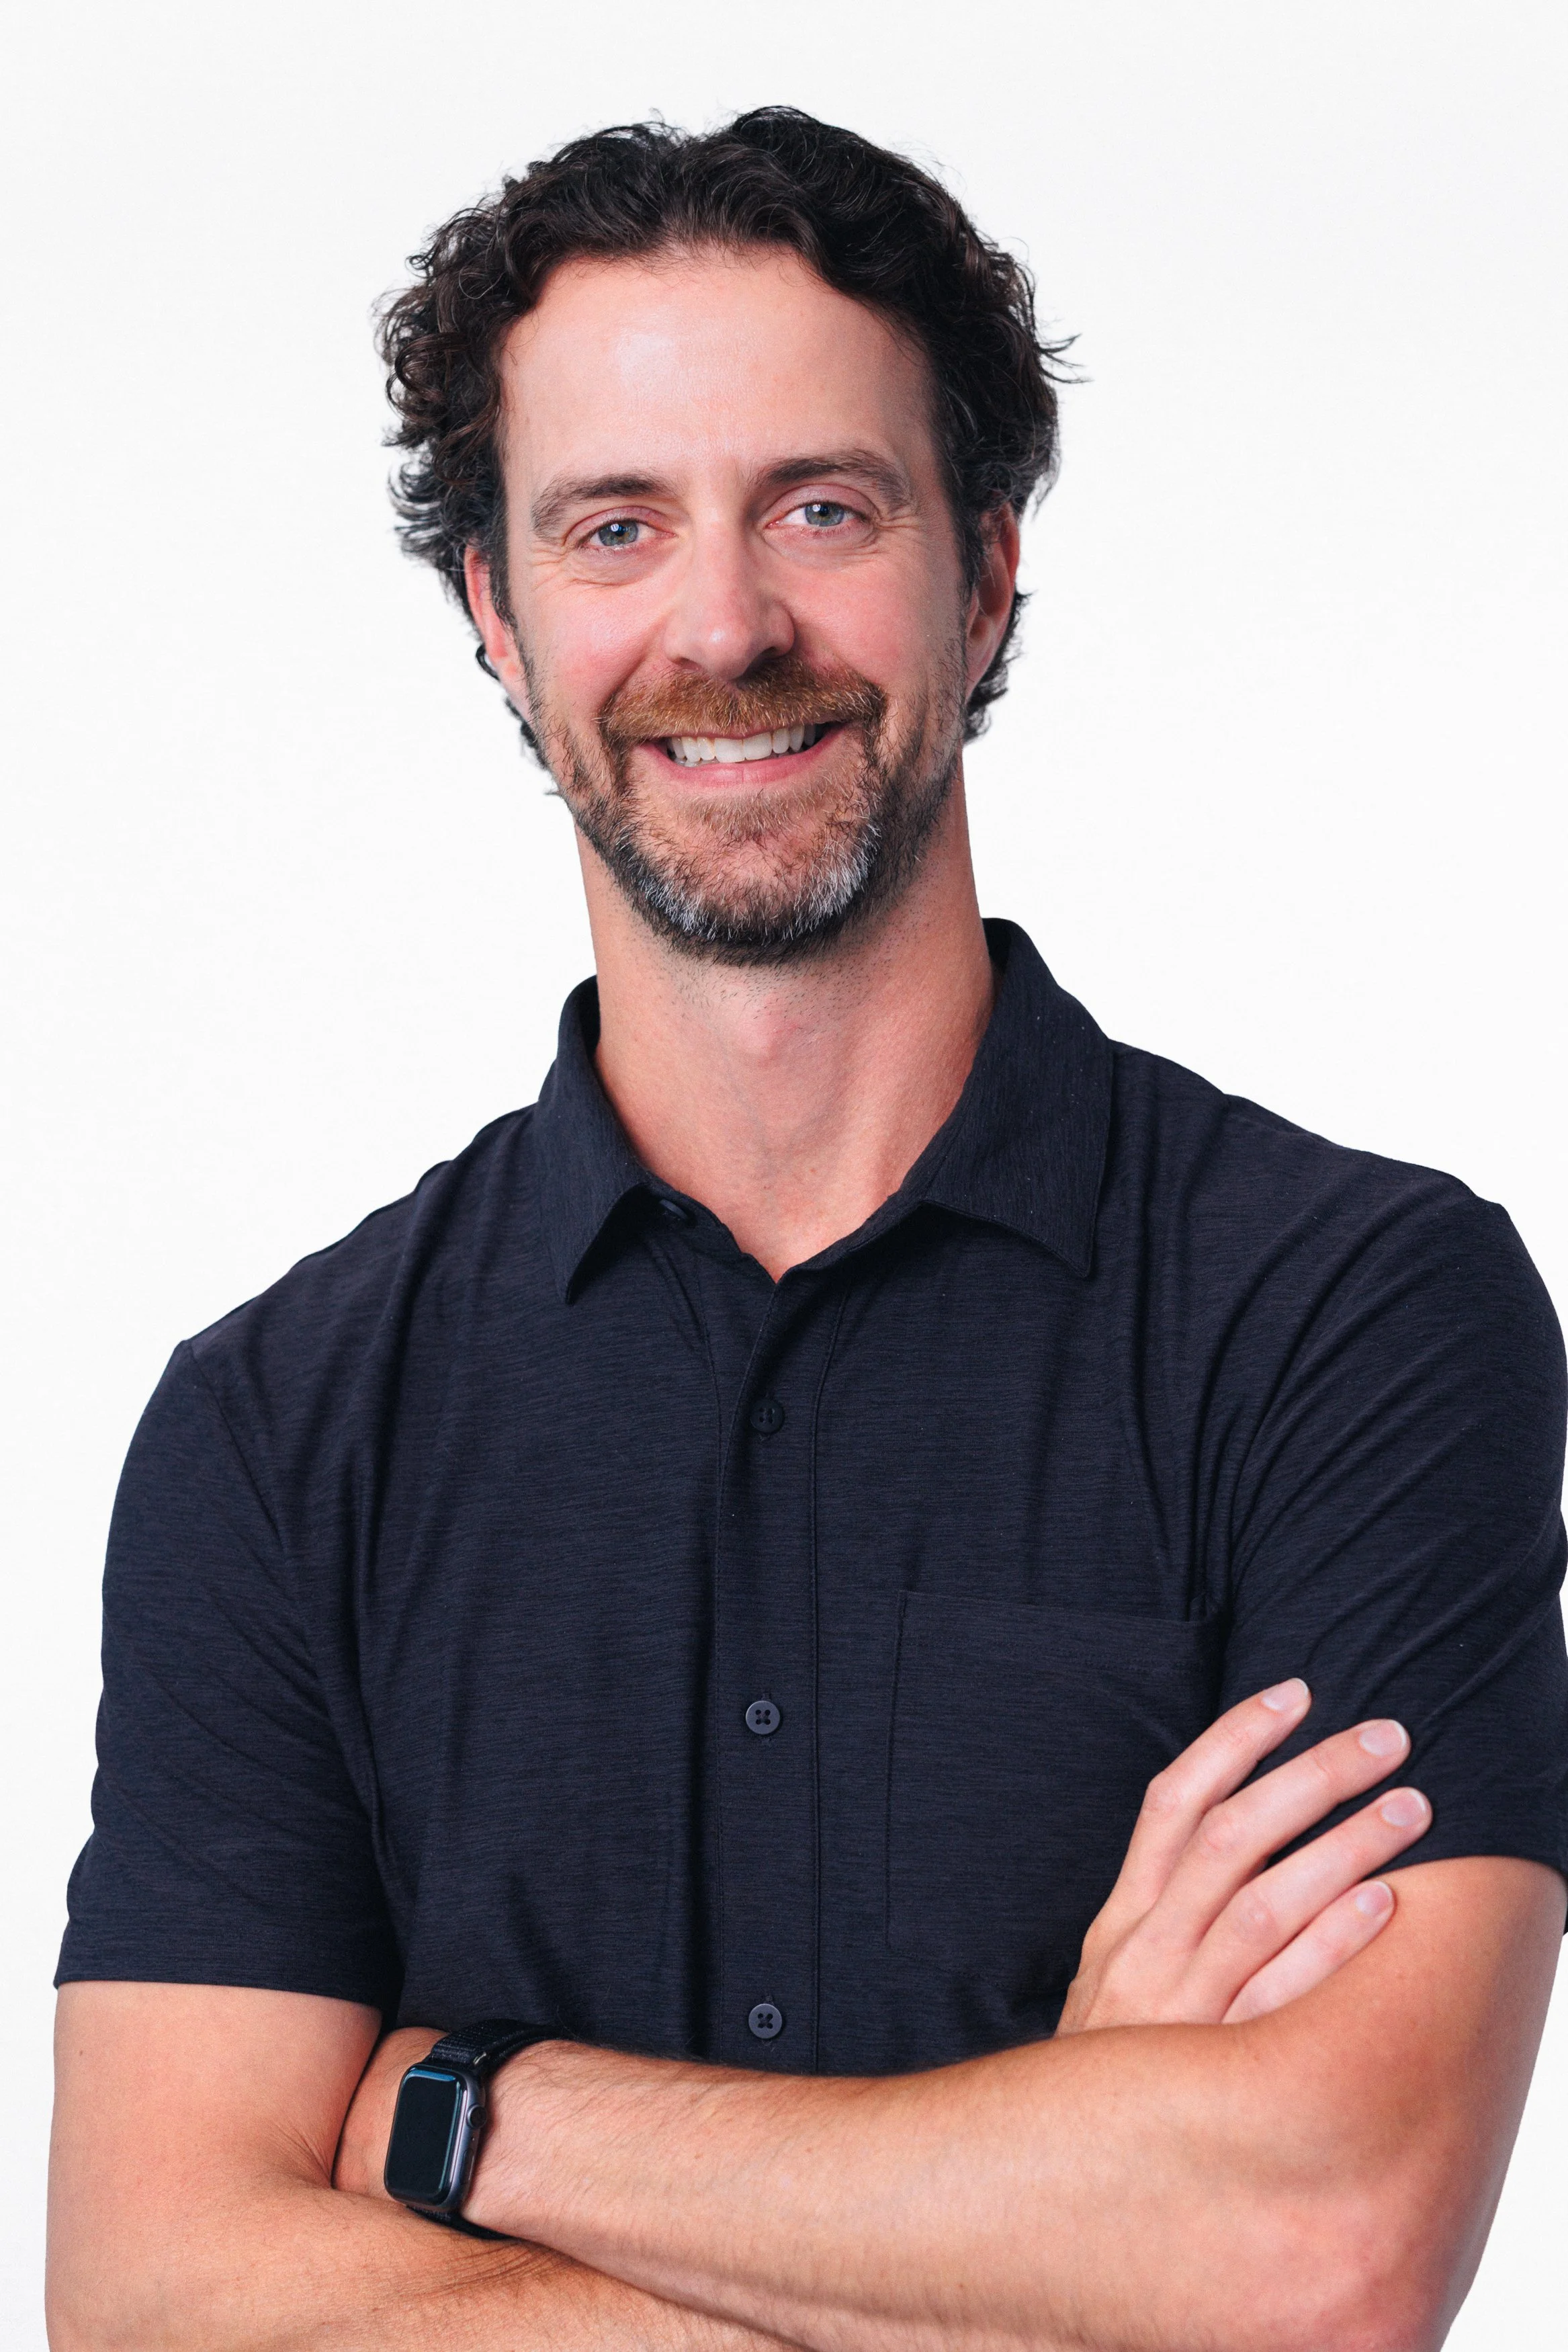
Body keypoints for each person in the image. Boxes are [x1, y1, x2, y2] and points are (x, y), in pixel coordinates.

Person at [47, 108, 1568, 2352]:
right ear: (495, 610)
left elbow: (1308, 2255)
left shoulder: (1346, 1320)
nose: (723, 623)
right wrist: (1060, 2184)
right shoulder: (280, 1432)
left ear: (982, 573)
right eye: (612, 527)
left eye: (822, 509)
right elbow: (161, 2294)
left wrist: (467, 2118)